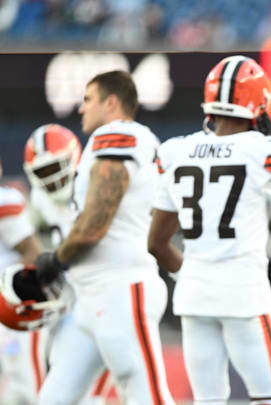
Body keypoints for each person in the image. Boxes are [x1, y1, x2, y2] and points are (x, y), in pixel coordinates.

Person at [147, 55, 271, 405]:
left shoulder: (176, 150)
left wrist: (193, 274)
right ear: (259, 103)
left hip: (193, 294)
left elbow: (157, 243)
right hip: (244, 293)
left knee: (207, 400)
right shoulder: (264, 151)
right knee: (270, 397)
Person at [33, 70, 175, 405]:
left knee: (146, 396)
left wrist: (55, 260)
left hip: (121, 290)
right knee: (53, 400)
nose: (81, 109)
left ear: (111, 102)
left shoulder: (118, 135)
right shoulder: (122, 141)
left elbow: (95, 224)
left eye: (88, 99)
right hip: (92, 297)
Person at [22, 123, 114, 403]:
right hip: (77, 302)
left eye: (55, 168)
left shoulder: (95, 184)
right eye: (43, 173)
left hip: (114, 295)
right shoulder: (39, 199)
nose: (52, 179)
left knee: (132, 387)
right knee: (58, 394)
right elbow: (27, 241)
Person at [0, 159, 45, 404]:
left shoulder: (4, 201)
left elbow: (33, 252)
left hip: (8, 309)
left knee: (24, 387)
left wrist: (12, 296)